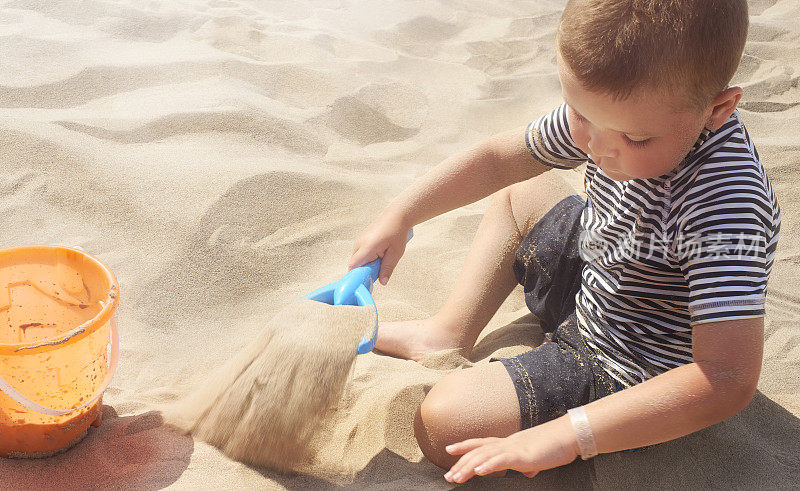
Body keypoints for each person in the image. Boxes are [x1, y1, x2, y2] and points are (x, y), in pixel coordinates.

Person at [347, 0, 781, 482]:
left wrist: (566, 436)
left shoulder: (725, 204)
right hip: (608, 268)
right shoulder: (613, 119)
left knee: (443, 424)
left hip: (634, 362)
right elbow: (497, 161)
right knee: (521, 189)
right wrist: (401, 215)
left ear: (718, 108)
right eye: (580, 113)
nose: (596, 146)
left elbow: (725, 378)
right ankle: (447, 331)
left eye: (634, 140)